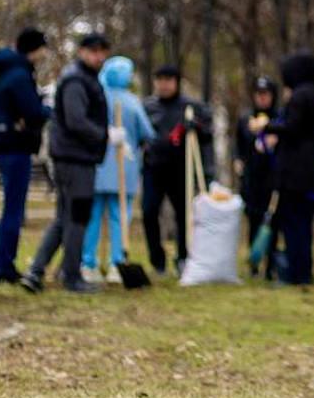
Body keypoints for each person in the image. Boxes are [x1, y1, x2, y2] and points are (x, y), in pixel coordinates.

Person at [21, 34, 120, 294]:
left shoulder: (83, 78)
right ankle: (71, 276)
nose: (99, 57)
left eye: (102, 52)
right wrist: (106, 135)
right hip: (75, 159)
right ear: (82, 51)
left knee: (64, 218)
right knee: (77, 216)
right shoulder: (77, 79)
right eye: (94, 51)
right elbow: (76, 120)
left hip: (74, 157)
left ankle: (36, 271)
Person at [80, 56, 155, 283]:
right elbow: (148, 134)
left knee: (93, 216)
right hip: (125, 169)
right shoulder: (132, 102)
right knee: (119, 217)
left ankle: (88, 263)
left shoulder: (97, 97)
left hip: (98, 167)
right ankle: (115, 263)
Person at [0, 28, 52, 285]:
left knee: (12, 208)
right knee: (14, 210)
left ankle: (2, 263)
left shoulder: (9, 71)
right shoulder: (19, 75)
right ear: (34, 48)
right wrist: (46, 108)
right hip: (15, 147)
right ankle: (4, 266)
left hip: (5, 144)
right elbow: (33, 112)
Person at [260, 52, 314, 286]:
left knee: (293, 221)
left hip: (294, 167)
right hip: (310, 164)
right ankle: (304, 270)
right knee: (303, 222)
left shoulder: (300, 96)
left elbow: (292, 128)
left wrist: (267, 127)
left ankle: (295, 272)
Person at [141, 65, 214, 275]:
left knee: (183, 215)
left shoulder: (191, 107)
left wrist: (196, 127)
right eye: (160, 79)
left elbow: (207, 135)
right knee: (149, 212)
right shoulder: (148, 106)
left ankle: (183, 257)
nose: (164, 84)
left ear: (176, 82)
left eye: (168, 80)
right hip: (153, 168)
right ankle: (157, 260)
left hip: (180, 169)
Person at [235, 76, 279, 278]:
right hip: (251, 178)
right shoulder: (245, 119)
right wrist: (237, 160)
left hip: (271, 178)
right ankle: (254, 263)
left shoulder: (278, 120)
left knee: (271, 222)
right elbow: (238, 145)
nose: (262, 98)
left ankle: (271, 265)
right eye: (258, 94)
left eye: (266, 94)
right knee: (252, 219)